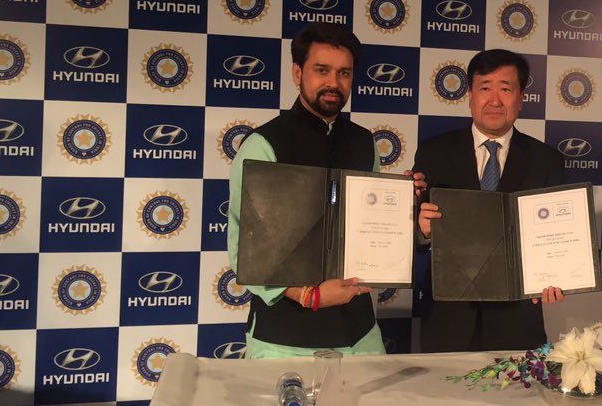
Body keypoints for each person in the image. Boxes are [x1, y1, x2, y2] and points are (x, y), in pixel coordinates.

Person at [227, 22, 385, 359]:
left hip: (360, 335)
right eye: (321, 70)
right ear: (297, 73)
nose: (333, 83)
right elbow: (243, 246)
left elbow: (371, 227)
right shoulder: (264, 144)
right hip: (284, 338)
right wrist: (308, 295)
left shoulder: (364, 142)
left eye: (344, 73)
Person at [413, 48, 565, 352]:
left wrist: (558, 274)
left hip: (517, 321)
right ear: (470, 95)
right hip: (447, 320)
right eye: (485, 88)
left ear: (521, 98)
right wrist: (422, 231)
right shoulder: (434, 152)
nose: (495, 100)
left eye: (505, 89)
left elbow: (558, 237)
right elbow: (417, 235)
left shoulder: (546, 161)